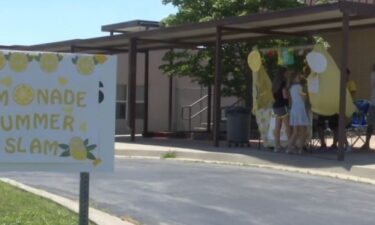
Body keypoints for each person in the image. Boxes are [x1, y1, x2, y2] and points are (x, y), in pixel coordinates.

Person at [287, 70, 310, 154]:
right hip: (300, 109)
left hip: (294, 108)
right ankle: (300, 148)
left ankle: (289, 147)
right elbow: (304, 98)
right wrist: (306, 94)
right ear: (294, 78)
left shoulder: (291, 88)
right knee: (303, 130)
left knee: (295, 131)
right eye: (298, 76)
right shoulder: (299, 87)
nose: (299, 78)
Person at [271, 67, 290, 152]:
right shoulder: (283, 83)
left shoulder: (274, 84)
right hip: (283, 106)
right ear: (283, 74)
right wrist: (290, 95)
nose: (287, 74)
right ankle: (290, 144)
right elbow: (285, 96)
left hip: (276, 106)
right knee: (288, 126)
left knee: (277, 127)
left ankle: (276, 145)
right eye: (286, 72)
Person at [360, 65, 375, 150]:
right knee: (370, 124)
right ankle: (367, 143)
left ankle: (366, 144)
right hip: (374, 102)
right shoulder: (373, 74)